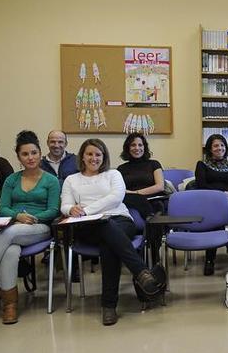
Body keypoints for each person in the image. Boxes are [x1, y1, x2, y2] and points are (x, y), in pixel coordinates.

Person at [61, 139, 165, 326]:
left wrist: (86, 209)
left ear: (104, 157)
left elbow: (115, 198)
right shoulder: (71, 180)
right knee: (107, 235)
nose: (94, 158)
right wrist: (71, 210)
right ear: (82, 157)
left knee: (108, 236)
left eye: (98, 154)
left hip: (120, 220)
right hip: (87, 225)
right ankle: (141, 272)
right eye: (89, 154)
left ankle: (109, 306)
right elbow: (65, 205)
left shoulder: (113, 174)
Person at [0, 131, 59, 324]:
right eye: (25, 154)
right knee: (10, 251)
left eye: (33, 153)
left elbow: (53, 210)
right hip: (12, 226)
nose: (30, 157)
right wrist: (17, 216)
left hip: (38, 227)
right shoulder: (12, 180)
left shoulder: (51, 180)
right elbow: (3, 207)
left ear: (40, 154)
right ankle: (10, 306)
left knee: (10, 232)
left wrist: (30, 218)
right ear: (18, 157)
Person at [195, 133, 228, 276]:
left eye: (222, 145)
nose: (220, 148)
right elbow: (201, 185)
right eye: (216, 145)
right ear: (210, 149)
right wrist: (221, 194)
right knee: (217, 218)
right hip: (210, 202)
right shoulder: (202, 165)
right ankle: (210, 259)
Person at [117, 132, 165, 217]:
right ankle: (150, 218)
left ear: (144, 147)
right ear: (128, 148)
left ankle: (151, 219)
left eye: (140, 145)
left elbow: (160, 186)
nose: (137, 148)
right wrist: (133, 195)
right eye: (133, 145)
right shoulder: (121, 168)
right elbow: (118, 190)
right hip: (130, 201)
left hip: (153, 199)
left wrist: (136, 193)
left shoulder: (154, 164)